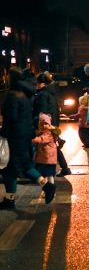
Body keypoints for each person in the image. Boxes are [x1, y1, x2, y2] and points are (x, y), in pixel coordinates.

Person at [0, 69, 56, 208]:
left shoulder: (13, 95)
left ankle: (10, 200)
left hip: (15, 136)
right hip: (24, 134)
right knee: (22, 165)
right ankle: (45, 186)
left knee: (9, 166)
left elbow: (11, 118)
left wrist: (3, 132)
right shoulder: (24, 94)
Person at [32, 114, 58, 185]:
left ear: (49, 125)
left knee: (49, 174)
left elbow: (40, 140)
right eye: (41, 124)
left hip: (48, 160)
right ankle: (46, 187)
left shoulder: (48, 134)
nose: (43, 126)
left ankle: (51, 187)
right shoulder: (42, 133)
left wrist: (31, 140)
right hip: (44, 158)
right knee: (45, 174)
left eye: (46, 124)